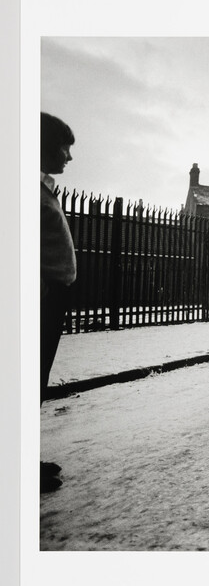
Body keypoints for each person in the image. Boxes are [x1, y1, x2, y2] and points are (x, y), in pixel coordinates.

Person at [40, 112, 77, 493]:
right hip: (38, 300)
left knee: (36, 381)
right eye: (65, 147)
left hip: (49, 299)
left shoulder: (41, 186)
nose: (69, 156)